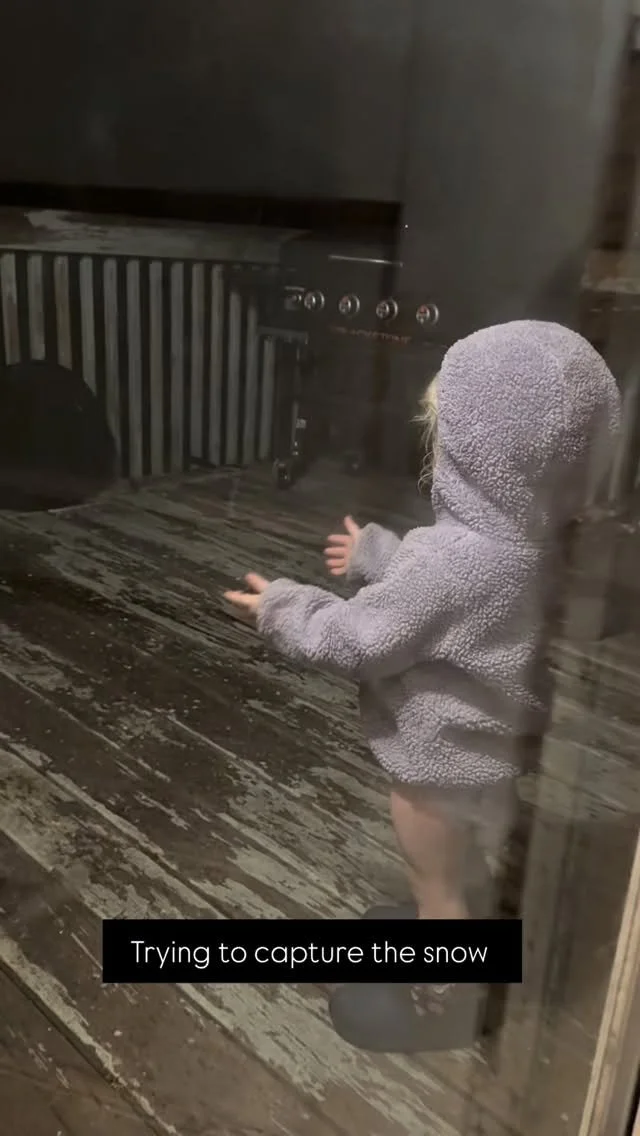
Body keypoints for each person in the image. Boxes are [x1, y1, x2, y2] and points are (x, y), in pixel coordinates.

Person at [224, 320, 621, 1053]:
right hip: (491, 751)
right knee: (460, 867)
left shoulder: (452, 566)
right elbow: (460, 586)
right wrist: (380, 551)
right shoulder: (534, 547)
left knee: (434, 883)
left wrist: (285, 606)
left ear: (469, 453)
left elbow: (359, 639)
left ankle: (443, 1001)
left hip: (436, 768)